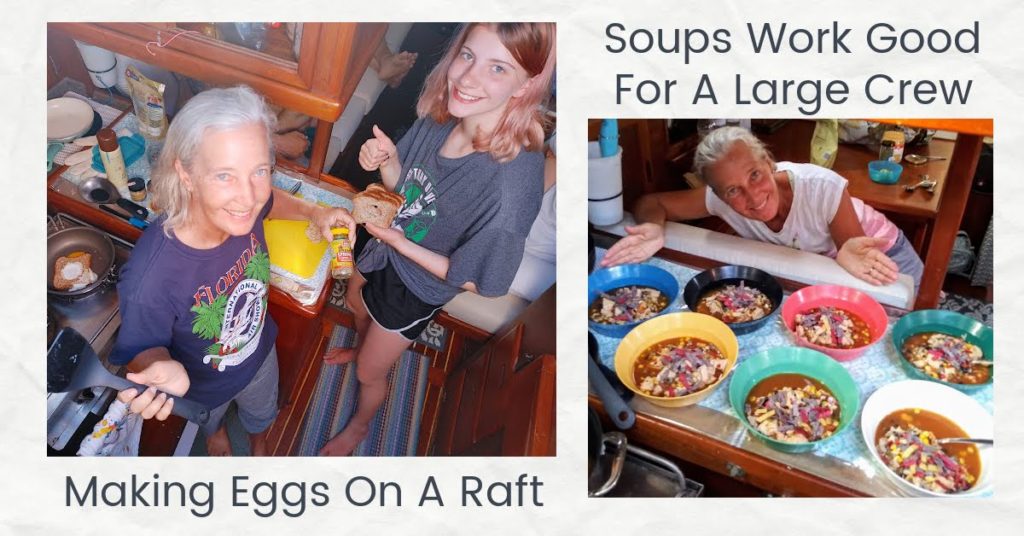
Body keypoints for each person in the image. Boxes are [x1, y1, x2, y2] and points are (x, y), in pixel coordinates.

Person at [318, 22, 556, 456]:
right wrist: (389, 161)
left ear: (528, 85)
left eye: (498, 69)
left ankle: (359, 424)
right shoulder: (446, 112)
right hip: (385, 248)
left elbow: (478, 283)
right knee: (355, 303)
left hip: (417, 287)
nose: (467, 79)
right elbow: (407, 190)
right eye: (468, 55)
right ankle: (365, 344)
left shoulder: (509, 189)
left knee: (371, 374)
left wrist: (398, 241)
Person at [110, 85, 356, 456]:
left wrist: (317, 213)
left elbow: (269, 201)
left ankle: (259, 438)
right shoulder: (151, 278)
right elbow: (141, 350)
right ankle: (214, 432)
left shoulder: (249, 204)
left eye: (259, 170)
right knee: (210, 416)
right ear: (187, 174)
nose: (248, 196)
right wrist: (158, 365)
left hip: (258, 353)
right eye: (224, 175)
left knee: (262, 411)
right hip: (203, 382)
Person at [601, 126, 924, 290]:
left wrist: (847, 252)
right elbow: (651, 203)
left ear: (769, 163)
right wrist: (654, 229)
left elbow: (854, 254)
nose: (753, 197)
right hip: (820, 264)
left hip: (879, 255)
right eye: (733, 190)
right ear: (717, 194)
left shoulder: (822, 187)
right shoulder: (718, 201)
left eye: (755, 175)